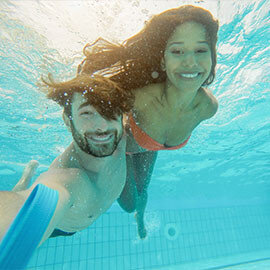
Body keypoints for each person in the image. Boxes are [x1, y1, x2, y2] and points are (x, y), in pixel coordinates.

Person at [77, 5, 219, 239]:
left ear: (212, 56)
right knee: (130, 203)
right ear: (163, 61)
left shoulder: (208, 108)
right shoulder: (141, 98)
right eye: (177, 51)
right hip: (124, 148)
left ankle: (140, 217)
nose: (191, 63)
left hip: (149, 146)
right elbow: (90, 101)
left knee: (143, 193)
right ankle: (136, 213)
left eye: (201, 50)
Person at [0, 74, 134, 245]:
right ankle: (26, 177)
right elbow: (32, 206)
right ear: (67, 120)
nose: (102, 125)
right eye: (87, 113)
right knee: (18, 193)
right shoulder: (68, 178)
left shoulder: (121, 136)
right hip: (61, 227)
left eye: (110, 111)